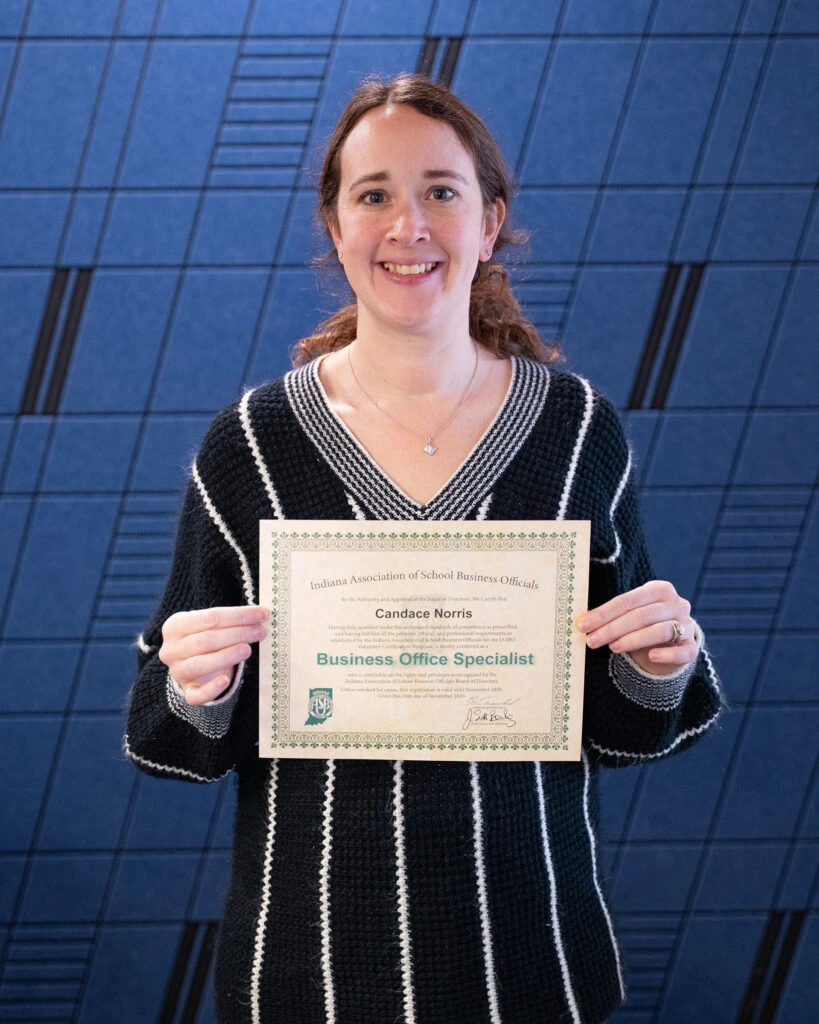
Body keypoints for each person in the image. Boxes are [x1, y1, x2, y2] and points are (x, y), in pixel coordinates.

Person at [126, 74, 722, 1024]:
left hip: (529, 959)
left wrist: (658, 666)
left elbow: (623, 728)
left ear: (489, 223)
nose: (408, 225)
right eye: (374, 195)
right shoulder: (250, 444)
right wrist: (196, 688)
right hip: (313, 971)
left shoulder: (576, 429)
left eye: (440, 190)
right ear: (335, 227)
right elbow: (168, 743)